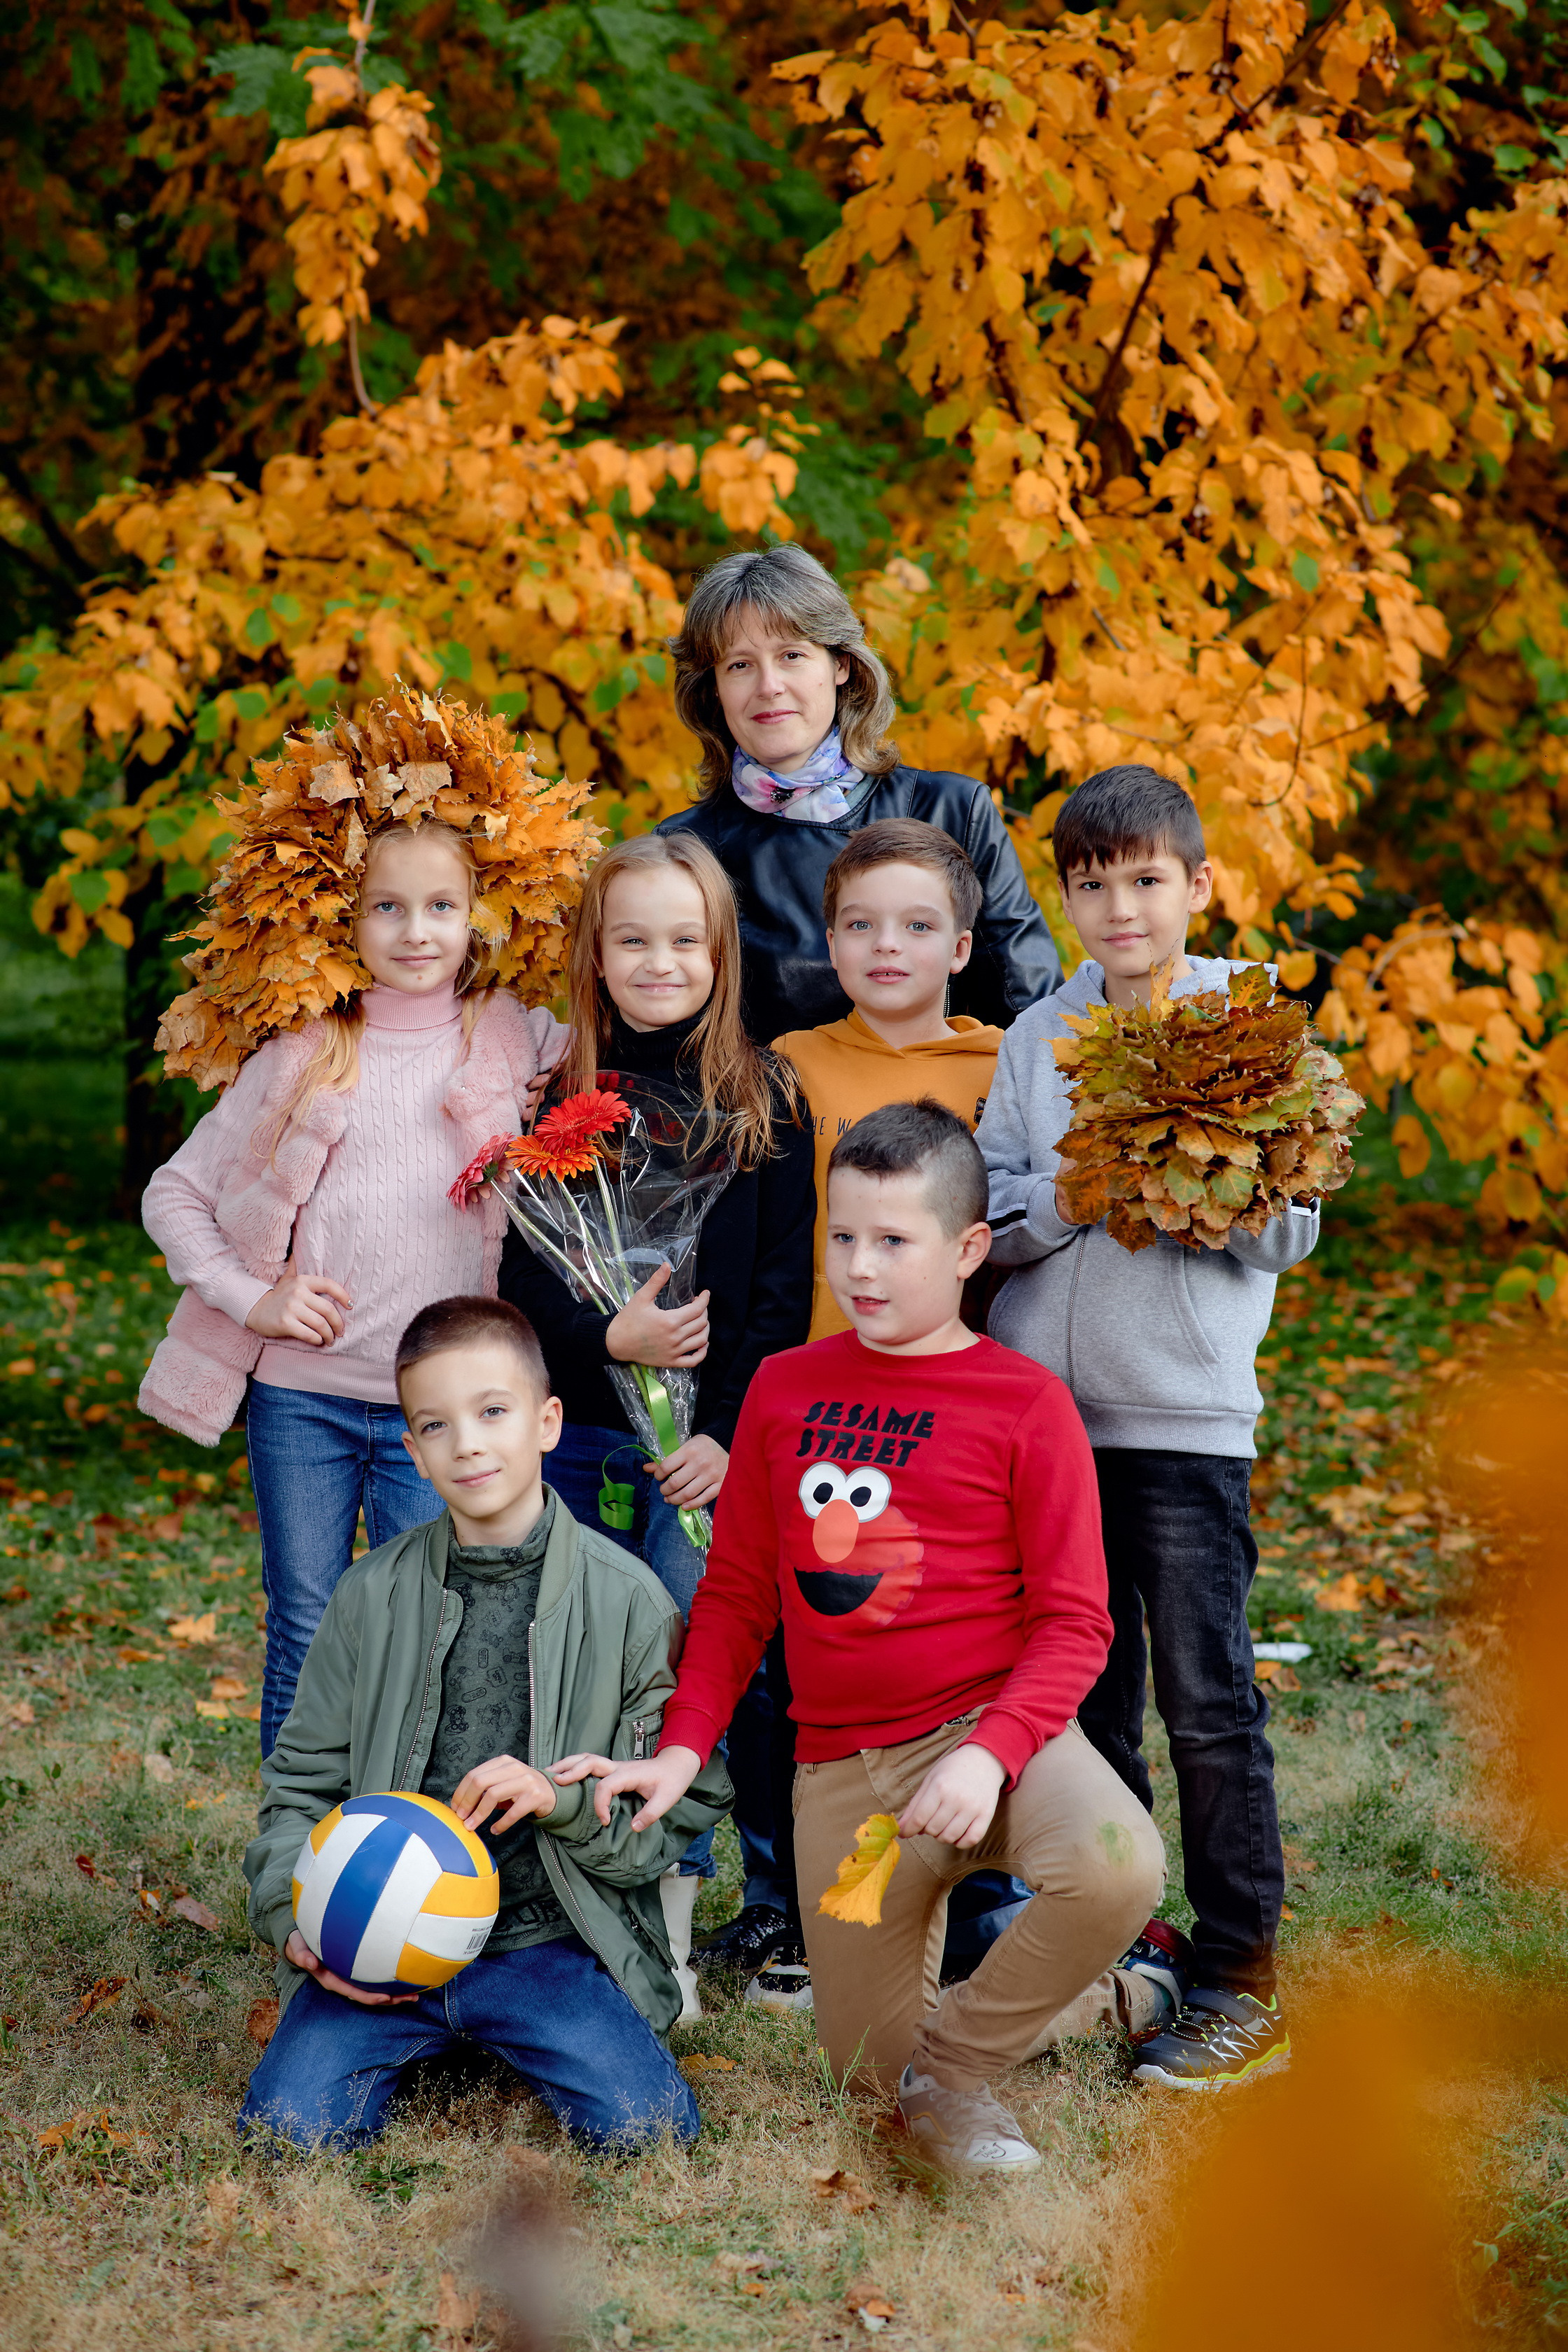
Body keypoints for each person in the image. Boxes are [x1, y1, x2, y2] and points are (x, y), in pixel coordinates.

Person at [580, 1102, 1166, 2176]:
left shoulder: (1027, 1405)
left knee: (1117, 1866)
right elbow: (741, 1594)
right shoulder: (785, 1386)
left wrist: (991, 1752)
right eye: (843, 1238)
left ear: (968, 1250)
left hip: (995, 1739)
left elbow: (1078, 1621)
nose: (862, 1266)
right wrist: (679, 1745)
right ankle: (1099, 2010)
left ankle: (960, 2070)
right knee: (864, 2077)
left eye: (894, 1241)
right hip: (845, 1770)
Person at [976, 764, 1321, 2087]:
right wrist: (1070, 1198)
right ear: (1064, 896)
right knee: (1086, 1694)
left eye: (1145, 880)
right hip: (1050, 1425)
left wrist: (1180, 1177)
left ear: (1197, 886)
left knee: (1208, 1700)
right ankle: (1135, 1935)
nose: (1119, 908)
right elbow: (997, 1218)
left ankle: (1244, 1977)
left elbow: (1290, 1227)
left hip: (1182, 1420)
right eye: (1091, 883)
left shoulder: (1251, 1021)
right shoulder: (1034, 1036)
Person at [239, 1294, 732, 2154]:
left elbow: (677, 1812)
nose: (467, 1442)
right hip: (380, 1942)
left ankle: (510, 2028)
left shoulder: (629, 1604)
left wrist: (560, 1799)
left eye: (492, 1412)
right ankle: (421, 2032)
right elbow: (300, 1784)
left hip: (546, 1940)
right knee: (288, 2132)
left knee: (648, 2133)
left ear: (547, 1422)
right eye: (436, 1425)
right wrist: (296, 1923)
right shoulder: (371, 1595)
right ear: (412, 1453)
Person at [141, 820, 563, 1756]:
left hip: (444, 1415)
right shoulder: (305, 1049)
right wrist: (252, 1300)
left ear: (477, 919)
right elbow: (175, 1191)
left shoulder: (507, 1036)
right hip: (307, 1400)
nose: (417, 931)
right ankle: (302, 1863)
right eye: (388, 908)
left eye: (442, 907)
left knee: (428, 1635)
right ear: (349, 921)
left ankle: (407, 1860)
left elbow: (628, 1051)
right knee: (307, 1626)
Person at [497, 830, 816, 2013]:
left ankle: (718, 1911)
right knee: (584, 1664)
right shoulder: (566, 1098)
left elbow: (782, 1291)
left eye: (685, 939)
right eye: (632, 939)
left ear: (721, 953)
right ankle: (578, 1904)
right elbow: (527, 1284)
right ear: (594, 953)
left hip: (709, 1458)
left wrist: (721, 1434)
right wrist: (609, 1347)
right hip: (587, 1444)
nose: (659, 960)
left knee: (704, 1669)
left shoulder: (766, 1097)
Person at [657, 542, 1058, 1044]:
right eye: (739, 665)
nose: (769, 686)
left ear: (841, 664)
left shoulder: (953, 812)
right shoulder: (684, 850)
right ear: (713, 687)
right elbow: (661, 1041)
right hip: (767, 1120)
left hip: (942, 1113)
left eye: (792, 655)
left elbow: (1032, 1017)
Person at [774, 817, 1004, 1342]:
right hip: (810, 1367)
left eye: (918, 926)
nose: (886, 944)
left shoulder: (1004, 1068)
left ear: (960, 950)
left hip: (952, 1378)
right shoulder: (790, 1063)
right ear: (832, 946)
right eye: (861, 926)